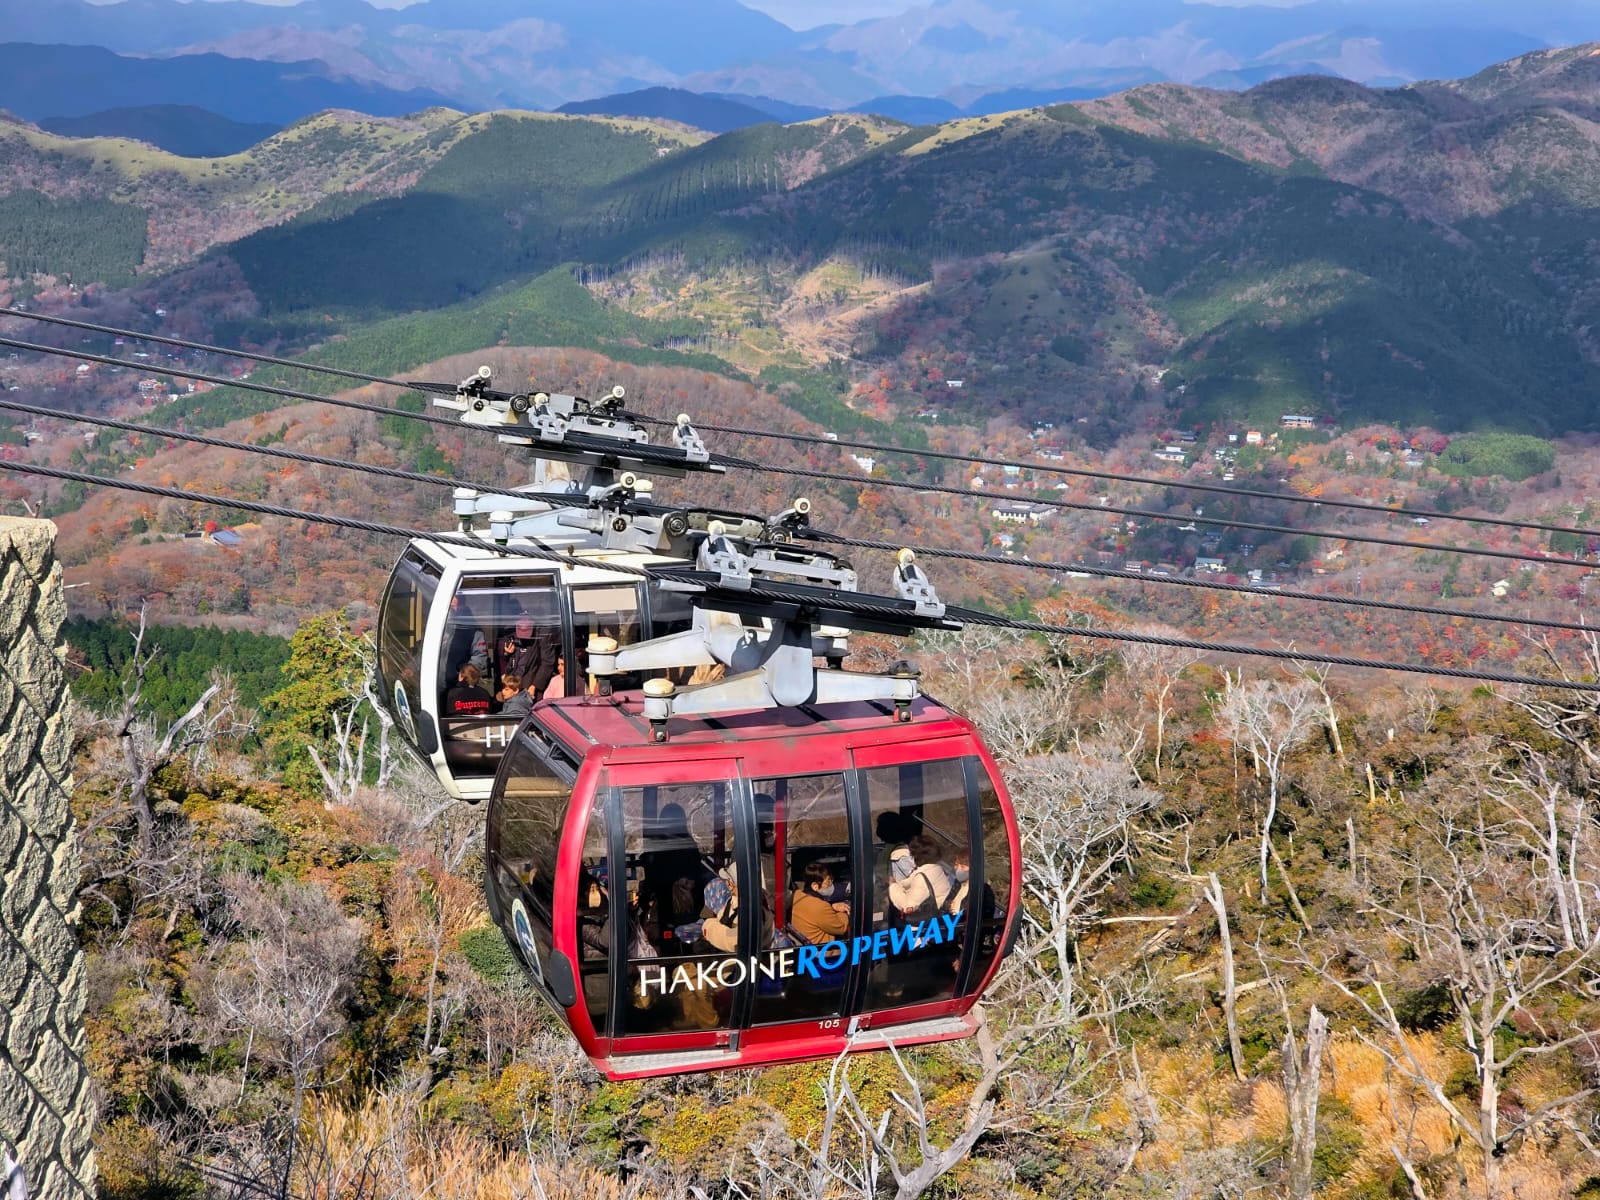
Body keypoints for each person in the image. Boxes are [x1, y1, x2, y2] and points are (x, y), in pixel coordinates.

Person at [640, 803, 708, 953]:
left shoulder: (658, 845)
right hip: (690, 907)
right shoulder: (689, 843)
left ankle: (666, 968)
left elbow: (654, 874)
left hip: (664, 909)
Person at [889, 835, 953, 922]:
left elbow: (908, 906)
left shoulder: (922, 877)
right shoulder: (937, 869)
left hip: (922, 927)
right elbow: (911, 881)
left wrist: (892, 886)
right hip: (937, 919)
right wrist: (897, 885)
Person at [497, 614, 558, 697]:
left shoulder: (542, 636)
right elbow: (500, 650)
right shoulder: (510, 633)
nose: (523, 637)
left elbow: (547, 663)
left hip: (530, 684)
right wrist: (506, 652)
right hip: (511, 684)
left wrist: (535, 686)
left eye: (526, 633)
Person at [789, 860, 850, 945]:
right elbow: (841, 928)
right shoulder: (820, 907)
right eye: (828, 882)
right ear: (815, 886)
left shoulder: (797, 894)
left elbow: (816, 915)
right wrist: (844, 911)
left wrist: (832, 907)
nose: (831, 884)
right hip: (823, 952)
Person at [445, 594, 489, 676]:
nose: (454, 609)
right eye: (451, 606)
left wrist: (465, 674)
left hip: (459, 682)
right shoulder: (440, 627)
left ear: (463, 606)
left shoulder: (473, 629)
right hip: (436, 680)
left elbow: (479, 656)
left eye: (457, 606)